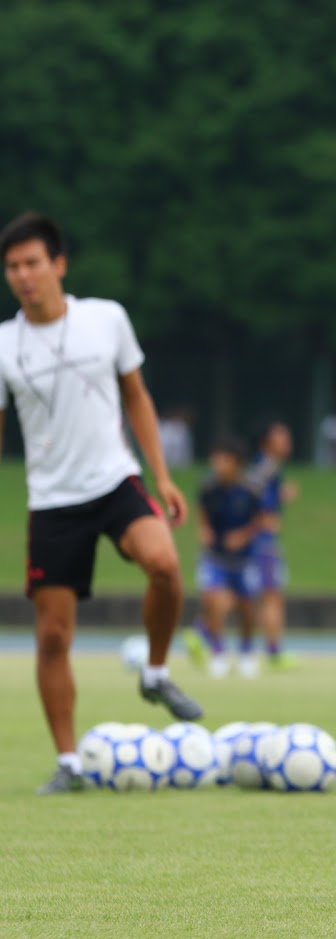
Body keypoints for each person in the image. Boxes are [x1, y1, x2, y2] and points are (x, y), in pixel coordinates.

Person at [0, 212, 203, 793]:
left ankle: (155, 672)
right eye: (12, 267)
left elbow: (136, 397)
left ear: (59, 265)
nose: (23, 276)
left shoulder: (106, 318)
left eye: (33, 263)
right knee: (52, 637)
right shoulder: (4, 344)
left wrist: (161, 476)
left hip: (116, 481)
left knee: (164, 566)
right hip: (52, 501)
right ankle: (69, 763)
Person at [186, 438, 265, 678]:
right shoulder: (208, 486)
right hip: (215, 556)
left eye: (222, 459)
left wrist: (243, 535)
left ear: (236, 462)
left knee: (247, 607)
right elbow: (202, 512)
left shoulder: (252, 488)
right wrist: (204, 530)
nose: (216, 464)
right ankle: (217, 652)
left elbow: (263, 520)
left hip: (244, 559)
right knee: (213, 601)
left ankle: (246, 652)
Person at [248, 418, 300, 669]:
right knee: (271, 595)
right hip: (263, 542)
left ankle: (204, 631)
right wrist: (268, 520)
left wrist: (280, 496)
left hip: (256, 541)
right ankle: (274, 652)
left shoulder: (265, 468)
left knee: (251, 594)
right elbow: (255, 505)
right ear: (266, 442)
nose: (287, 441)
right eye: (281, 436)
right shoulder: (266, 469)